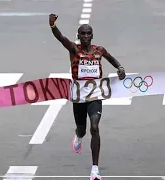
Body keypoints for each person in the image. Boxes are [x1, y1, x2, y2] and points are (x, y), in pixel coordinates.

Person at [49, 14, 126, 180]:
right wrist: (52, 26)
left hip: (95, 96)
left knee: (95, 127)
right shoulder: (74, 50)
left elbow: (112, 60)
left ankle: (95, 168)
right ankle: (78, 135)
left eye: (88, 33)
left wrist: (120, 68)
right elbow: (61, 38)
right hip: (78, 97)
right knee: (83, 130)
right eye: (82, 34)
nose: (85, 36)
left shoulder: (99, 51)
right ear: (79, 36)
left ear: (92, 36)